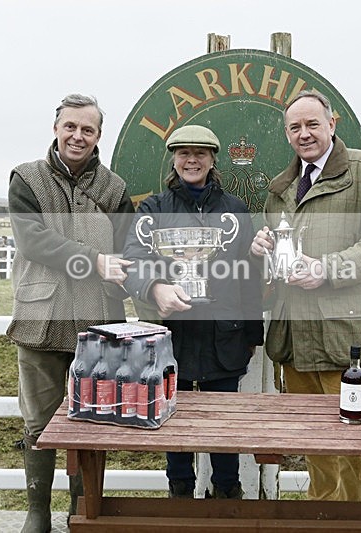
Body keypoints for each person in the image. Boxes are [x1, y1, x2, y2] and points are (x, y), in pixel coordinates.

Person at [250, 90, 361, 501]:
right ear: (287, 134)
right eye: (295, 127)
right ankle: (324, 521)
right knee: (316, 448)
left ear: (332, 125)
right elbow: (277, 264)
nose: (305, 134)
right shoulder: (281, 188)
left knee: (358, 450)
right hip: (297, 339)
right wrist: (264, 249)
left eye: (312, 124)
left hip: (347, 336)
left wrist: (327, 269)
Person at [7, 93, 134, 532]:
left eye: (88, 129)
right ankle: (37, 510)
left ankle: (81, 511)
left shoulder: (114, 189)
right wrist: (94, 260)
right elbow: (32, 241)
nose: (78, 136)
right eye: (71, 127)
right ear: (56, 127)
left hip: (98, 320)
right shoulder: (27, 179)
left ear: (99, 135)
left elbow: (128, 247)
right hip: (40, 317)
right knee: (39, 420)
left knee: (93, 420)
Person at [123, 125, 263, 499]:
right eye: (184, 153)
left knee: (224, 425)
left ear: (213, 159)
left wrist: (251, 334)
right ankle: (180, 492)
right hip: (173, 335)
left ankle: (227, 493)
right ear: (174, 158)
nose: (192, 160)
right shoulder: (153, 209)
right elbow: (134, 261)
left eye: (200, 153)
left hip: (225, 332)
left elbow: (249, 276)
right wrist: (154, 288)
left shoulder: (234, 210)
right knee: (174, 419)